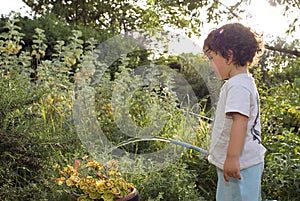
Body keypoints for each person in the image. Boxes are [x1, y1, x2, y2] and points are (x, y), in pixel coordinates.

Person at [203, 22, 267, 201]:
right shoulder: (243, 82)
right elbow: (227, 126)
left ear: (229, 56)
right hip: (242, 164)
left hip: (239, 166)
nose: (210, 64)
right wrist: (218, 153)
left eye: (211, 57)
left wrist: (231, 158)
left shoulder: (237, 85)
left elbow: (240, 121)